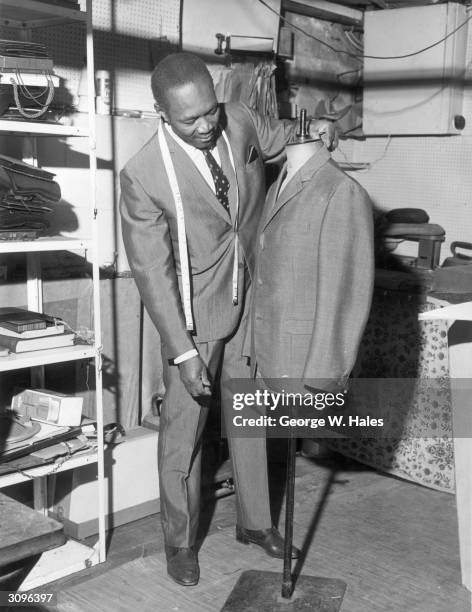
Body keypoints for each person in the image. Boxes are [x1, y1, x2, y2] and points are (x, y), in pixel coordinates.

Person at [119, 52, 334, 587]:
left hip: (251, 302)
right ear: (161, 113)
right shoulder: (142, 176)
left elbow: (279, 134)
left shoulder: (236, 118)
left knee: (252, 416)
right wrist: (185, 353)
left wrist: (318, 129)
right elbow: (153, 274)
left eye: (209, 111)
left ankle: (256, 524)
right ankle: (179, 541)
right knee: (183, 438)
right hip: (195, 319)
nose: (205, 125)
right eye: (190, 119)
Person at [248, 126, 375, 392]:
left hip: (304, 360)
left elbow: (345, 295)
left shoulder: (341, 190)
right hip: (268, 351)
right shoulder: (276, 186)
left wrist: (324, 376)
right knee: (274, 432)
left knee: (297, 431)